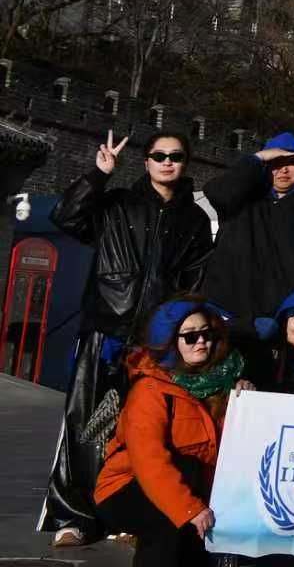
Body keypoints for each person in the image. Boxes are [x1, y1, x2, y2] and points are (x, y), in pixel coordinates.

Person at [44, 131, 213, 548]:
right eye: (159, 155)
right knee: (85, 422)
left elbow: (194, 282)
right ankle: (73, 515)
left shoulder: (193, 219)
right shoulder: (117, 203)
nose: (167, 162)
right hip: (106, 328)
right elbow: (65, 217)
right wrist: (98, 175)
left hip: (155, 341)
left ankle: (126, 512)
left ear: (186, 162)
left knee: (143, 431)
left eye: (176, 156)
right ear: (146, 160)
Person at [93, 297, 242, 567]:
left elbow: (228, 447)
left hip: (191, 485)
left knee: (193, 529)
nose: (201, 342)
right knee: (169, 518)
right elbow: (149, 461)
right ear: (170, 343)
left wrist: (243, 402)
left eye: (207, 334)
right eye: (190, 337)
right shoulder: (150, 391)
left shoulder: (222, 382)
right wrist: (189, 508)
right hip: (127, 486)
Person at [200, 133, 294, 331]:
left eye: (291, 163)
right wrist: (257, 158)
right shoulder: (242, 197)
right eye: (276, 162)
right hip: (224, 310)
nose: (284, 170)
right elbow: (216, 192)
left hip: (276, 319)